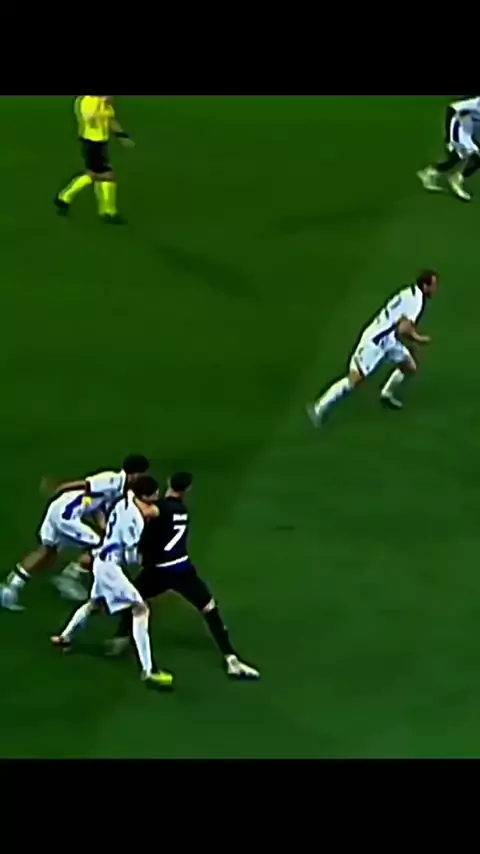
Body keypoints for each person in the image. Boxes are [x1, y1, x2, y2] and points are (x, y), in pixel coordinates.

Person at [107, 472, 260, 680]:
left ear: (168, 483)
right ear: (188, 489)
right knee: (209, 608)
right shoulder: (182, 510)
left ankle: (120, 638)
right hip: (182, 569)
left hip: (159, 570)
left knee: (132, 598)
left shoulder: (161, 507)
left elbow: (146, 512)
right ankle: (231, 658)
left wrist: (131, 496)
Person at [51, 476, 173, 691]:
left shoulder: (124, 500)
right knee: (141, 609)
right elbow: (132, 556)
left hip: (101, 561)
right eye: (154, 494)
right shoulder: (136, 520)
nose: (157, 497)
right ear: (146, 496)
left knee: (95, 603)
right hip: (110, 567)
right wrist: (147, 559)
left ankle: (63, 637)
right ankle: (148, 670)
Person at [0, 454, 149, 611]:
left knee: (47, 551)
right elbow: (84, 484)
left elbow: (96, 507)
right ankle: (69, 577)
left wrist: (105, 529)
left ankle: (10, 587)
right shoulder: (113, 479)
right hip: (67, 515)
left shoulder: (120, 489)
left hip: (58, 509)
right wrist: (58, 488)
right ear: (134, 474)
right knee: (101, 548)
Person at [307, 270, 438, 427]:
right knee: (354, 380)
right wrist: (419, 339)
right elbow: (403, 329)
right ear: (425, 286)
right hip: (375, 341)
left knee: (409, 367)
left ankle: (386, 393)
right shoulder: (417, 301)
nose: (435, 289)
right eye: (434, 285)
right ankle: (318, 408)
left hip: (388, 339)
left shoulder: (408, 292)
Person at [54, 96, 134, 223]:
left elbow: (110, 120)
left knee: (94, 175)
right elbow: (91, 120)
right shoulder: (87, 101)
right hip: (92, 143)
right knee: (107, 176)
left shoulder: (104, 103)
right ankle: (109, 212)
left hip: (101, 144)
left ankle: (63, 199)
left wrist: (122, 136)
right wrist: (101, 105)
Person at [417, 97, 480, 201]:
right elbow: (452, 108)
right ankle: (430, 172)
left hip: (469, 128)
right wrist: (448, 137)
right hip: (458, 125)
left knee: (475, 156)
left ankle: (456, 177)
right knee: (458, 156)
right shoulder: (476, 102)